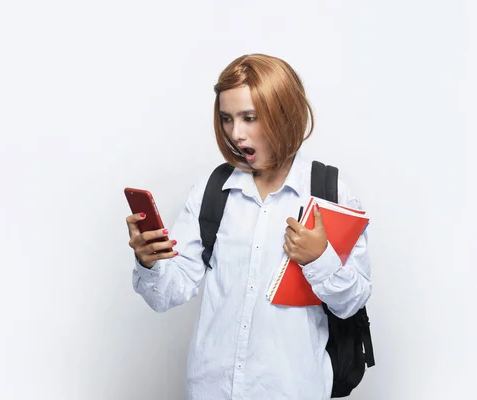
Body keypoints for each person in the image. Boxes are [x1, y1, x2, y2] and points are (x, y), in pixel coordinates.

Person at [125, 53, 372, 400]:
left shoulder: (329, 192)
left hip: (292, 390)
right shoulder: (212, 191)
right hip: (211, 390)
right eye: (227, 118)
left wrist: (319, 259)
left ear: (283, 113)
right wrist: (150, 262)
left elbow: (353, 301)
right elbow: (168, 294)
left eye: (249, 118)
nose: (235, 134)